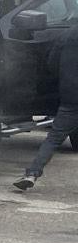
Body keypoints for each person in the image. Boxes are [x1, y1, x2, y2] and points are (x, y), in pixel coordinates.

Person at [13, 24, 78, 192]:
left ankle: (32, 174)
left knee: (53, 138)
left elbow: (52, 64)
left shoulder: (67, 35)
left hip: (71, 97)